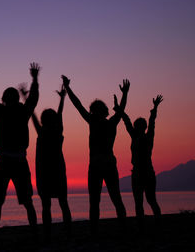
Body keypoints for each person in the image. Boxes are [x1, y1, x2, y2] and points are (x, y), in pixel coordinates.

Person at [62, 75, 129, 234]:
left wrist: (68, 87)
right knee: (114, 198)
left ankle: (96, 231)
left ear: (95, 111)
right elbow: (120, 111)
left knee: (98, 200)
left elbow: (78, 105)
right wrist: (125, 94)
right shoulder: (109, 122)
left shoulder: (96, 122)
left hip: (99, 164)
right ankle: (120, 229)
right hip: (107, 164)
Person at [0, 61, 39, 234]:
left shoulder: (16, 112)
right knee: (1, 201)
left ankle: (32, 231)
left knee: (23, 201)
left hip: (15, 160)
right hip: (8, 160)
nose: (11, 99)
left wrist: (35, 80)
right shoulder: (8, 111)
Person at [19, 81, 72, 236]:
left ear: (44, 120)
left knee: (46, 205)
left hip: (44, 173)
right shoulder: (57, 131)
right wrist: (62, 99)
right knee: (63, 202)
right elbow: (60, 114)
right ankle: (68, 229)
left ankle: (48, 231)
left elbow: (33, 115)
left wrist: (24, 97)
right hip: (58, 171)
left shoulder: (42, 132)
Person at [115, 95, 163, 228]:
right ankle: (145, 223)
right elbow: (127, 121)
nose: (136, 128)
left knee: (147, 200)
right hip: (141, 172)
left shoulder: (146, 137)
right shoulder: (138, 136)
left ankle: (151, 222)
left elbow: (150, 122)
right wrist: (120, 110)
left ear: (141, 127)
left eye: (138, 126)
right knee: (143, 200)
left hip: (145, 172)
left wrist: (155, 108)